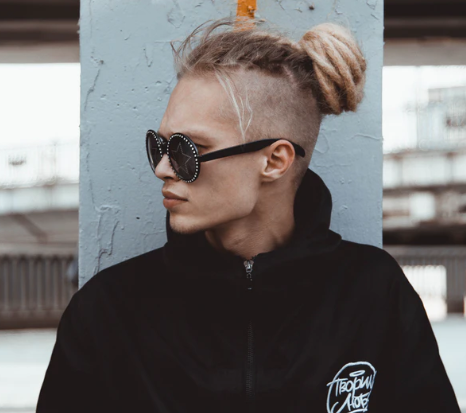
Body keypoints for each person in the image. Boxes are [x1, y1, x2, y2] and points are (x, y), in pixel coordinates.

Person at [36, 17, 461, 413]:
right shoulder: (108, 312)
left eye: (187, 150)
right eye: (160, 146)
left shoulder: (374, 294)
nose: (163, 168)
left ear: (275, 161)